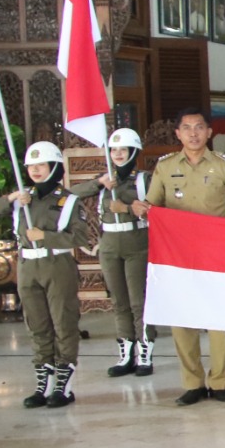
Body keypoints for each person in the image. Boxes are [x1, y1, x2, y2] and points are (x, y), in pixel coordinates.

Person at [146, 108, 225, 405]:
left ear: (209, 132)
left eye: (199, 127)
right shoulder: (164, 167)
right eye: (186, 128)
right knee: (182, 318)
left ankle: (219, 383)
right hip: (178, 256)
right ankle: (192, 383)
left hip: (215, 255)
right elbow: (154, 208)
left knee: (217, 319)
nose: (193, 133)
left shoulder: (224, 166)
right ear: (177, 134)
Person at [0, 141, 87, 407]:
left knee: (63, 322)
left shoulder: (68, 200)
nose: (35, 170)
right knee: (37, 325)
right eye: (31, 166)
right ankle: (43, 383)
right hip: (27, 267)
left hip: (56, 264)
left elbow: (80, 236)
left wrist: (45, 236)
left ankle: (63, 384)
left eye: (41, 165)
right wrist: (12, 198)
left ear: (54, 167)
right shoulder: (22, 199)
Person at [71, 128, 155, 378]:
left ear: (133, 152)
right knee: (118, 302)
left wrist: (127, 208)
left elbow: (157, 209)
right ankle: (125, 352)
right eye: (114, 150)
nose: (118, 154)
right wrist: (99, 183)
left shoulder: (144, 179)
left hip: (137, 240)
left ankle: (144, 353)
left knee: (138, 301)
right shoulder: (105, 179)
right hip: (109, 242)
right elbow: (71, 195)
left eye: (123, 150)